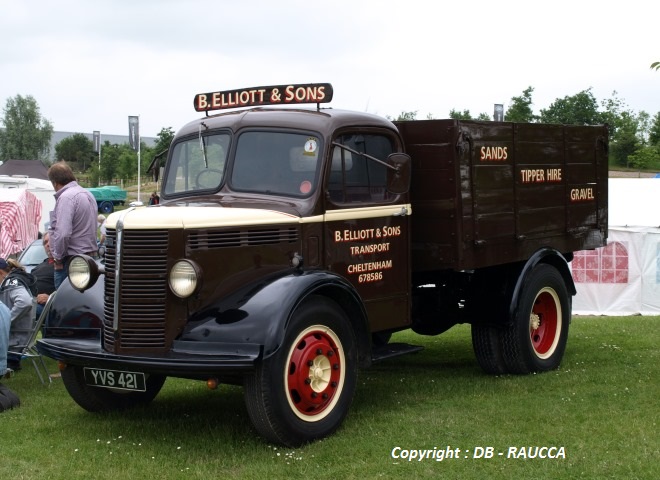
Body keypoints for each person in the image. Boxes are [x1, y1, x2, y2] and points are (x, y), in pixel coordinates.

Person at [47, 162, 98, 289]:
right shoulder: (88, 194)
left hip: (72, 261)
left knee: (65, 305)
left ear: (55, 182)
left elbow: (63, 233)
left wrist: (58, 258)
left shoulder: (66, 197)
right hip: (89, 259)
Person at [0, 258, 37, 372]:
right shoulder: (13, 281)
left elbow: (24, 302)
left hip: (15, 341)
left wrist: (5, 321)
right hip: (17, 337)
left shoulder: (11, 283)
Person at [31, 232, 56, 318]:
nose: (48, 245)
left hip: (50, 307)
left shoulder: (65, 266)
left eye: (51, 241)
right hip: (31, 301)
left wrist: (50, 299)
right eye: (45, 242)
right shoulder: (37, 267)